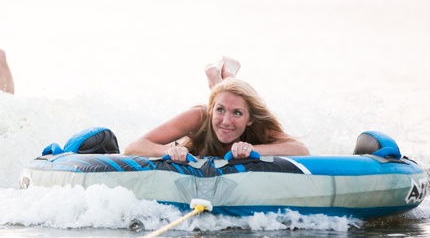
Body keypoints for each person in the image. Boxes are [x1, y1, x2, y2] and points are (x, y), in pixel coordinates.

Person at [124, 58, 309, 161]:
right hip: (208, 113)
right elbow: (134, 147)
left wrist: (252, 149)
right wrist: (167, 151)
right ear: (211, 109)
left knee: (227, 98)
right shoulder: (199, 117)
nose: (227, 121)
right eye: (219, 110)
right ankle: (219, 77)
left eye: (238, 113)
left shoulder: (257, 126)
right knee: (224, 98)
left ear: (250, 118)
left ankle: (224, 76)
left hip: (236, 110)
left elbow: (300, 150)